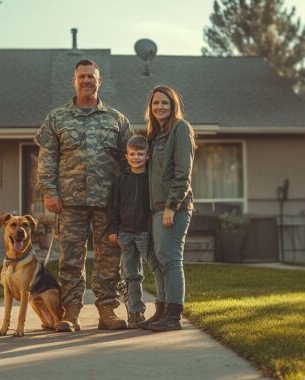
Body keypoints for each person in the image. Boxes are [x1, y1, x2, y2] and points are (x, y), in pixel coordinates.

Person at [34, 59, 133, 332]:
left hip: (107, 203)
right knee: (71, 260)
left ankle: (107, 310)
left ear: (99, 81)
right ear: (74, 82)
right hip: (69, 202)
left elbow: (129, 164)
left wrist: (126, 201)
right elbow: (47, 159)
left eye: (91, 76)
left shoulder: (117, 119)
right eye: (82, 77)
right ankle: (72, 311)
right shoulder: (57, 118)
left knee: (109, 258)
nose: (87, 81)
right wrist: (50, 193)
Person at [138, 85, 195, 332]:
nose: (159, 106)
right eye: (155, 103)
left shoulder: (180, 129)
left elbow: (183, 173)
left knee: (170, 260)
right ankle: (161, 312)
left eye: (165, 102)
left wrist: (172, 206)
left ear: (173, 106)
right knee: (158, 260)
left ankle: (173, 317)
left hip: (174, 208)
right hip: (156, 209)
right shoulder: (156, 134)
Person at [106, 135, 150, 329]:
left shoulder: (151, 180)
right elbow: (112, 208)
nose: (136, 157)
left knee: (158, 270)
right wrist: (114, 229)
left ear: (147, 156)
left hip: (145, 233)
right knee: (131, 275)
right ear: (126, 156)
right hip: (125, 233)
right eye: (133, 154)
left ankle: (164, 307)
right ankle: (135, 312)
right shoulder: (120, 180)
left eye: (140, 154)